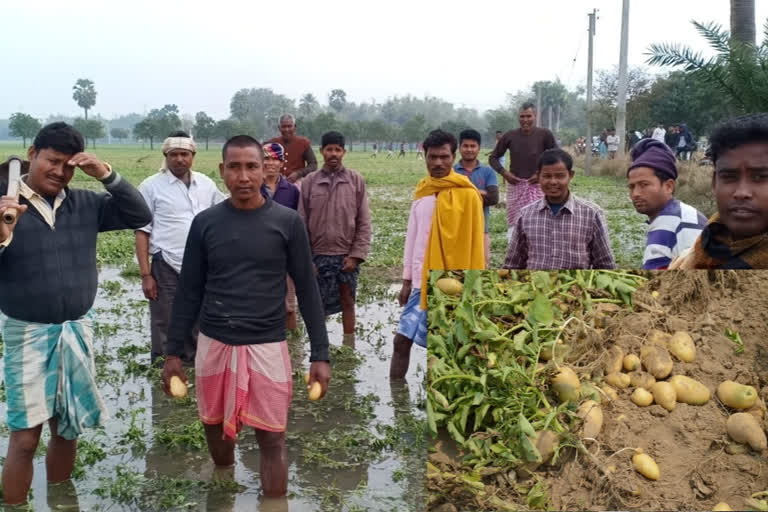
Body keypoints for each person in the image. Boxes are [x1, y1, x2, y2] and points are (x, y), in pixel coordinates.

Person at [162, 135, 331, 498]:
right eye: (235, 167)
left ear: (267, 168)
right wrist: (173, 354)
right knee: (213, 427)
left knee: (272, 438)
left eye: (251, 166)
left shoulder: (287, 223)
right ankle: (222, 486)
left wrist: (320, 354)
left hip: (268, 343)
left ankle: (273, 504)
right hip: (215, 341)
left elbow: (307, 289)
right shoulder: (206, 223)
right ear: (222, 171)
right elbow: (189, 291)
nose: (243, 176)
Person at [0, 122, 152, 506]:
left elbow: (139, 213)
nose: (60, 172)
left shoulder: (85, 204)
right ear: (32, 154)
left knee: (67, 429)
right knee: (25, 437)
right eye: (52, 161)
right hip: (26, 333)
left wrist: (106, 174)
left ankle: (60, 501)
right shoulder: (6, 206)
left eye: (69, 166)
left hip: (75, 331)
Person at [390, 129, 485, 379]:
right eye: (433, 157)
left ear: (454, 157)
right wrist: (406, 280)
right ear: (425, 157)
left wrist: (470, 286)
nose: (438, 163)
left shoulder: (468, 194)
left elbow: (474, 243)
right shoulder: (423, 191)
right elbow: (412, 238)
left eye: (444, 157)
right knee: (401, 341)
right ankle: (398, 403)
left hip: (452, 283)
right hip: (420, 283)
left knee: (445, 348)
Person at [136, 131, 226, 366]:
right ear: (165, 156)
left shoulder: (206, 184)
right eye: (173, 154)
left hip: (201, 263)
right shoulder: (150, 187)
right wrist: (146, 275)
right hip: (165, 262)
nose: (179, 159)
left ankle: (197, 363)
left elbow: (225, 211)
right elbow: (142, 231)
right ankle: (165, 364)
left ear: (193, 156)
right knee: (166, 317)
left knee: (199, 314)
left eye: (184, 154)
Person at [299, 131, 372, 348]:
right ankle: (319, 348)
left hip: (345, 257)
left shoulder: (355, 180)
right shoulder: (310, 181)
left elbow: (364, 222)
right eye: (329, 149)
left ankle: (349, 346)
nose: (333, 154)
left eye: (337, 150)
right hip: (317, 256)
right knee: (316, 306)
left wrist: (356, 256)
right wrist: (307, 259)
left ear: (344, 152)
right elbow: (301, 222)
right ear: (321, 151)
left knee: (348, 301)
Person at [670, 113, 768, 269]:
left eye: (761, 177)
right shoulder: (703, 246)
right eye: (729, 177)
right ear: (714, 182)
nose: (741, 192)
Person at [504, 148, 616, 269]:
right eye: (546, 176)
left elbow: (605, 264)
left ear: (571, 175)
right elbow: (513, 263)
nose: (553, 182)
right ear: (538, 176)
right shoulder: (525, 214)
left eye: (560, 176)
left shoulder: (591, 214)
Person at [627, 139, 707, 270]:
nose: (635, 193)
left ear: (669, 186)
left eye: (644, 185)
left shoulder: (686, 223)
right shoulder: (664, 219)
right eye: (631, 186)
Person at [489, 102, 556, 242]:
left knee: (540, 222)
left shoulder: (545, 135)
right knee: (515, 223)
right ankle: (515, 254)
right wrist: (505, 173)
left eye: (528, 116)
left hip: (538, 186)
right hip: (516, 186)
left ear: (535, 116)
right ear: (518, 117)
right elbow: (493, 158)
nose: (525, 120)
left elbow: (556, 157)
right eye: (522, 116)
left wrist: (541, 174)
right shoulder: (510, 136)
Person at [262, 142, 301, 331]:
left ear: (282, 162)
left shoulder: (291, 191)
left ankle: (292, 346)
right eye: (266, 159)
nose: (270, 163)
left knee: (289, 307)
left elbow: (296, 223)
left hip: (285, 256)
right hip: (257, 255)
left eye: (274, 159)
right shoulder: (253, 188)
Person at [454, 129, 499, 266]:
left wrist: (464, 193)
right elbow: (449, 199)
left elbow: (493, 198)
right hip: (457, 229)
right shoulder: (452, 171)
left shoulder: (488, 172)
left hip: (481, 228)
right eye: (465, 146)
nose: (469, 149)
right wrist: (480, 192)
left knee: (483, 264)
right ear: (460, 147)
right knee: (457, 266)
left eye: (473, 146)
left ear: (479, 148)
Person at [267, 114, 317, 183]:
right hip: (275, 182)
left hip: (297, 181)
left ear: (295, 127)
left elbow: (313, 165)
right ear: (279, 128)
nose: (286, 129)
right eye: (283, 127)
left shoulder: (303, 143)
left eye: (289, 126)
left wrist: (298, 174)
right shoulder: (272, 143)